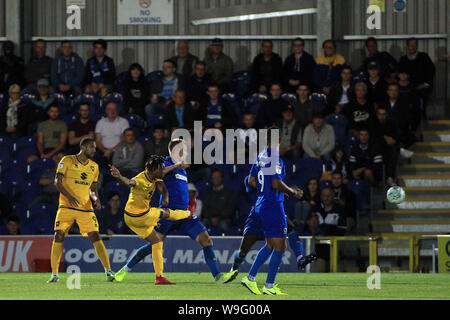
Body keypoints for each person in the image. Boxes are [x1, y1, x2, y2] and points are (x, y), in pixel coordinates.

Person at [114, 139, 222, 284]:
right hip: (167, 215)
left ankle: (218, 276)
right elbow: (159, 174)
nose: (186, 153)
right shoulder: (165, 163)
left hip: (184, 215)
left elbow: (169, 187)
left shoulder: (182, 169)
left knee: (206, 240)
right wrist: (175, 168)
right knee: (154, 244)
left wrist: (168, 194)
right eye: (183, 150)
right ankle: (125, 269)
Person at [239, 127, 303, 295]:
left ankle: (252, 279)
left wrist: (269, 190)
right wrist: (292, 192)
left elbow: (252, 180)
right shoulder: (274, 158)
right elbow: (275, 183)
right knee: (280, 246)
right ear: (279, 141)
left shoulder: (260, 156)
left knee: (270, 244)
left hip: (262, 203)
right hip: (273, 205)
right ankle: (269, 285)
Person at [108, 155, 193, 281]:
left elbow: (164, 173)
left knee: (157, 242)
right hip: (140, 217)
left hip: (129, 217)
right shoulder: (140, 180)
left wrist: (176, 166)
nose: (163, 170)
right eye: (161, 168)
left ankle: (158, 277)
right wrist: (119, 176)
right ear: (155, 169)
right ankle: (188, 213)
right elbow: (128, 182)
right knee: (166, 213)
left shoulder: (154, 174)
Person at [47, 138, 114, 283]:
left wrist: (95, 198)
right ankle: (54, 274)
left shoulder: (94, 167)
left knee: (95, 236)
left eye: (95, 148)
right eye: (91, 147)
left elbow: (92, 188)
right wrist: (69, 196)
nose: (94, 151)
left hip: (85, 208)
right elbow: (57, 181)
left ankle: (108, 271)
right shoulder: (67, 160)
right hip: (66, 206)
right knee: (58, 235)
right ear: (83, 147)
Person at [399, 38, 436, 118]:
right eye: (410, 45)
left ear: (417, 46)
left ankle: (422, 114)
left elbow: (431, 70)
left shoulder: (424, 57)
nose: (412, 47)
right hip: (408, 86)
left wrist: (426, 84)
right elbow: (399, 73)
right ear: (407, 46)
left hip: (422, 85)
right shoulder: (403, 59)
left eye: (414, 45)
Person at [379, 83, 416, 159]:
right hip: (384, 130)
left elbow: (406, 120)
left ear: (398, 92)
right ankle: (399, 149)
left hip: (399, 130)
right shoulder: (382, 104)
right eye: (391, 90)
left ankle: (398, 148)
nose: (393, 92)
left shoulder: (404, 105)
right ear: (388, 92)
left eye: (395, 90)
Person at [371, 106, 400, 186]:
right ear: (377, 115)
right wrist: (385, 138)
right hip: (377, 148)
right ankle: (380, 179)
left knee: (393, 152)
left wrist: (390, 139)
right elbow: (375, 137)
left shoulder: (391, 123)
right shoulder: (373, 123)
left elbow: (395, 137)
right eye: (380, 114)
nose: (382, 116)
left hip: (389, 148)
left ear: (386, 115)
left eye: (384, 114)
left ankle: (390, 177)